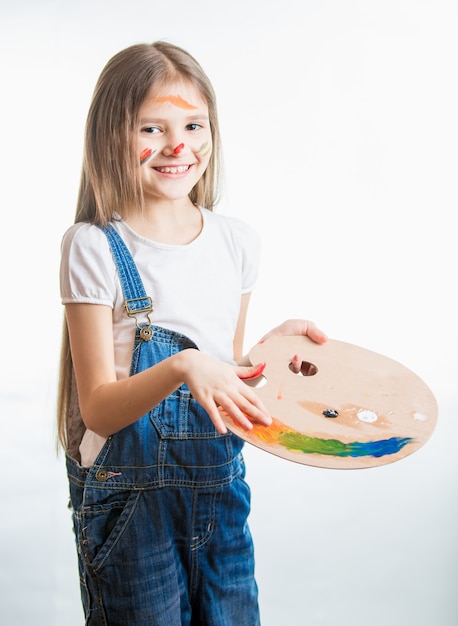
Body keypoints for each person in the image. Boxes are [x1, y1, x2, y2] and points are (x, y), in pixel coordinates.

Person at [57, 40, 327, 626]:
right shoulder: (94, 247)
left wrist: (270, 352)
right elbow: (100, 409)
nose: (177, 146)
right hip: (130, 503)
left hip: (220, 491)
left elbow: (223, 370)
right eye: (151, 128)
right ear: (111, 136)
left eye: (192, 125)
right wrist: (181, 365)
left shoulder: (236, 242)